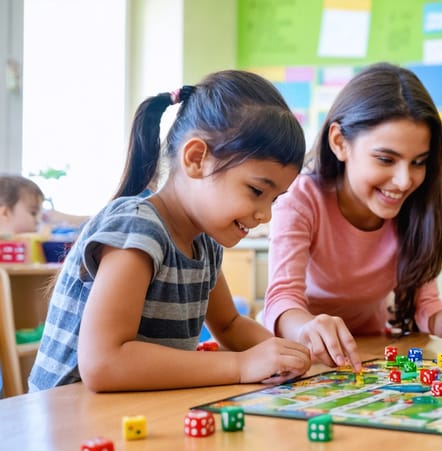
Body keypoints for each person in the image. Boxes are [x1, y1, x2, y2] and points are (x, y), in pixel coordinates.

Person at [28, 70, 312, 392]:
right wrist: (241, 364)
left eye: (275, 199)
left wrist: (292, 354)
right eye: (257, 191)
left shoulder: (205, 243)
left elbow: (230, 325)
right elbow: (104, 364)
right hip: (70, 419)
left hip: (134, 414)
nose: (265, 215)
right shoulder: (138, 229)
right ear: (196, 159)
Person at [264, 62, 442, 371]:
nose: (404, 180)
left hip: (370, 351)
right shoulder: (301, 199)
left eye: (419, 162)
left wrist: (441, 318)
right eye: (385, 159)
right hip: (303, 354)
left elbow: (425, 303)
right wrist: (305, 328)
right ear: (340, 142)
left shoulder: (416, 206)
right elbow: (282, 300)